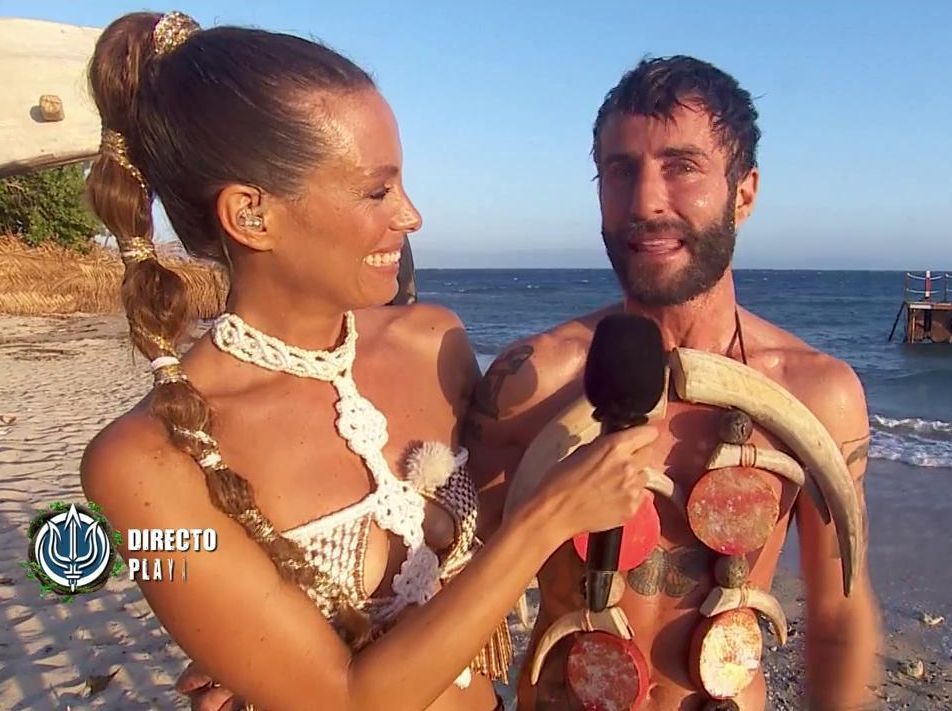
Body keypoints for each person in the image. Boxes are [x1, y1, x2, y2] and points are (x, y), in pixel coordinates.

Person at [80, 11, 657, 711]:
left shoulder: (431, 343)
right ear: (251, 214)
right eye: (377, 190)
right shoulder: (141, 461)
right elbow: (347, 698)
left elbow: (486, 544)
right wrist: (552, 515)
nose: (411, 214)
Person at [466, 56, 882, 710]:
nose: (645, 201)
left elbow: (836, 618)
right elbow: (457, 598)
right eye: (620, 170)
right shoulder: (531, 383)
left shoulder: (817, 394)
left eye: (682, 167)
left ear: (744, 192)